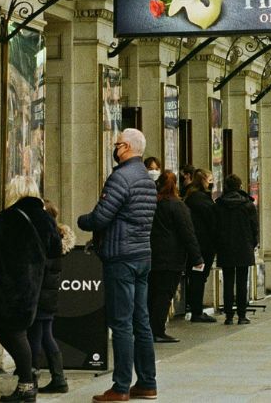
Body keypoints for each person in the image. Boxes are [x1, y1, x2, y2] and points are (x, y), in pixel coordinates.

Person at [77, 128, 159, 402]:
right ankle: (147, 382)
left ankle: (121, 386)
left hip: (120, 257)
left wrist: (82, 220)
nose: (115, 148)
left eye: (117, 144)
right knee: (141, 321)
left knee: (121, 323)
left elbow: (101, 217)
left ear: (125, 147)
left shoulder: (120, 177)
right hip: (142, 255)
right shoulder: (147, 180)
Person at [0, 175, 61, 401]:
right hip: (33, 286)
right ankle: (28, 379)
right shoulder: (45, 218)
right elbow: (55, 249)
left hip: (6, 286)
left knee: (10, 331)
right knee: (19, 332)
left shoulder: (6, 217)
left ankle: (26, 385)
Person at [149, 172, 202, 343]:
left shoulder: (153, 204)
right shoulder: (177, 206)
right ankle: (157, 330)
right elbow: (187, 233)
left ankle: (149, 328)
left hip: (152, 254)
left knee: (152, 294)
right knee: (164, 294)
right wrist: (197, 258)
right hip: (171, 257)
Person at [34, 200, 74, 394]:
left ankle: (33, 379)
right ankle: (58, 378)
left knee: (39, 335)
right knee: (45, 334)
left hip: (40, 294)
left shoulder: (46, 239)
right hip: (48, 295)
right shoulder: (57, 239)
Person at [214, 174, 259, 324]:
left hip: (225, 247)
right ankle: (241, 315)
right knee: (242, 281)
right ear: (240, 186)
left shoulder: (219, 205)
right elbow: (254, 228)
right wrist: (253, 243)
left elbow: (215, 227)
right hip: (244, 247)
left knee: (228, 281)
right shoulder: (248, 205)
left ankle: (228, 316)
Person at [183, 168, 218, 322]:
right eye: (210, 180)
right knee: (199, 277)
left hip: (196, 244)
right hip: (203, 245)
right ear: (203, 181)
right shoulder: (202, 200)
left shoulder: (191, 197)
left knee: (196, 276)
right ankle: (197, 310)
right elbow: (212, 222)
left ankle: (194, 306)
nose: (212, 183)